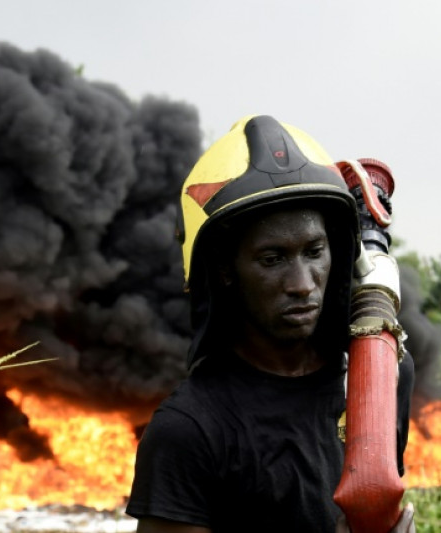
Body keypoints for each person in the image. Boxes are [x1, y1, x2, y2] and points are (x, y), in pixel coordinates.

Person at [125, 115, 415, 532]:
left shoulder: (381, 376)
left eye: (314, 251)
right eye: (272, 259)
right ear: (224, 269)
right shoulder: (188, 432)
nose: (302, 285)